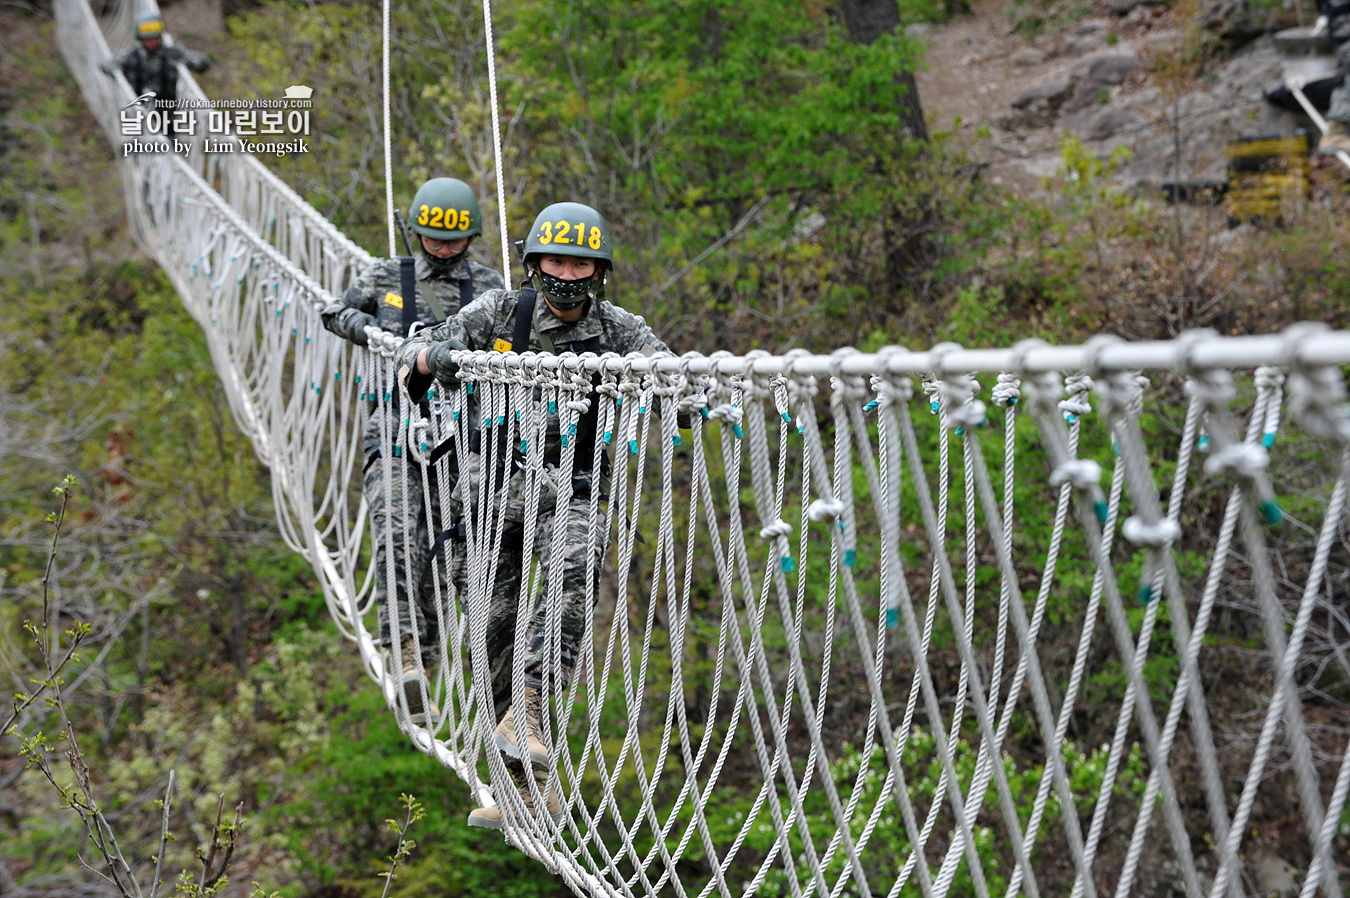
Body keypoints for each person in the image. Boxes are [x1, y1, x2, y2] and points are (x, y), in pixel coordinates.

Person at [397, 202, 670, 828]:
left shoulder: (619, 330)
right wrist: (430, 360)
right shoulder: (499, 313)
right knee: (492, 630)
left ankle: (533, 708)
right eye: (556, 260)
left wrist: (693, 399)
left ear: (597, 271)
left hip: (574, 486)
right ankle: (517, 789)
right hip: (493, 492)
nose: (567, 274)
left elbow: (669, 376)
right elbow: (416, 357)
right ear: (534, 264)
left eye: (579, 262)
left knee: (573, 586)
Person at [321, 177, 504, 725]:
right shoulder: (385, 276)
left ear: (469, 237)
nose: (443, 250)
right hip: (397, 427)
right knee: (398, 531)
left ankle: (488, 692)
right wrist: (364, 326)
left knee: (462, 555)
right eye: (433, 240)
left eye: (453, 242)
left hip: (465, 438)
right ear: (417, 233)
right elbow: (335, 312)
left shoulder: (489, 286)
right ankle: (407, 656)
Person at [101, 13, 211, 127]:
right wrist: (117, 72)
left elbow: (202, 63)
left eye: (154, 38)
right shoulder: (131, 55)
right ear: (141, 39)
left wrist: (189, 61)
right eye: (147, 39)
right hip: (138, 113)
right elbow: (108, 65)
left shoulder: (172, 53)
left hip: (166, 114)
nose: (151, 42)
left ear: (160, 37)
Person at [1317, 0, 1350, 154]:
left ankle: (1334, 134)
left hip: (1340, 20)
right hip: (1343, 20)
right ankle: (1334, 135)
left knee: (1345, 75)